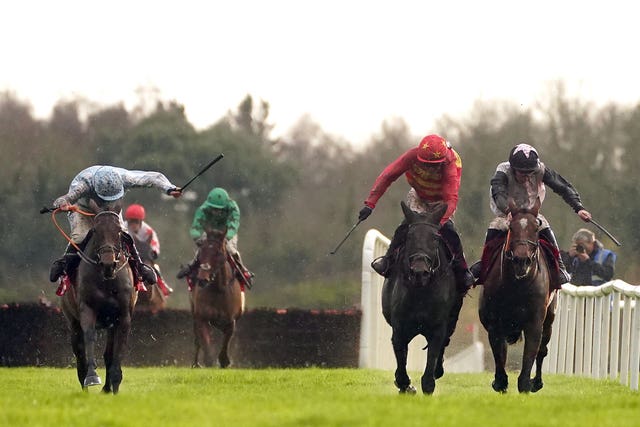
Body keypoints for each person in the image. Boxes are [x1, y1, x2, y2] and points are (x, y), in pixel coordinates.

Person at [358, 134, 474, 292]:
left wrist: (437, 223)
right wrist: (370, 204)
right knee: (405, 227)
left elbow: (451, 199)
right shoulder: (412, 156)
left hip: (442, 202)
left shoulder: (450, 163)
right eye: (427, 164)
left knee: (449, 232)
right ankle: (387, 260)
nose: (430, 169)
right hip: (419, 197)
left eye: (435, 165)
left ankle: (463, 271)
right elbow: (388, 175)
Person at [474, 143, 592, 285]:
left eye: (530, 173)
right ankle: (483, 264)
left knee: (545, 227)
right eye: (522, 173)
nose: (526, 177)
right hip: (507, 212)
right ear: (513, 168)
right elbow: (498, 192)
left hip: (531, 213)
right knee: (495, 226)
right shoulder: (503, 170)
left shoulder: (541, 170)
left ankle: (560, 267)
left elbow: (563, 187)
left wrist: (578, 207)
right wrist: (507, 210)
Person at [49, 165, 182, 286]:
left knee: (122, 233)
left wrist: (169, 189)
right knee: (80, 236)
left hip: (111, 211)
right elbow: (63, 199)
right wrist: (63, 203)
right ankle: (64, 263)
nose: (108, 201)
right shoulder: (83, 184)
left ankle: (140, 266)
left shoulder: (124, 178)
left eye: (112, 197)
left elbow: (153, 178)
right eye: (106, 198)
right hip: (84, 209)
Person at [177, 187, 254, 285]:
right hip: (210, 231)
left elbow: (234, 224)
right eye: (213, 208)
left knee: (230, 248)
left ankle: (243, 270)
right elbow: (196, 226)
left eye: (218, 209)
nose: (215, 211)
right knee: (204, 248)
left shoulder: (233, 207)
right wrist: (197, 238)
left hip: (227, 231)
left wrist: (227, 237)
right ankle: (192, 266)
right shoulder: (203, 209)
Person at [124, 203, 173, 296]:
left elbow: (155, 243)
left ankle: (163, 286)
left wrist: (154, 252)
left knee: (153, 267)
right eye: (131, 222)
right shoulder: (124, 228)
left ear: (141, 221)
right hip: (128, 255)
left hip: (144, 256)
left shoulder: (148, 230)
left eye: (136, 222)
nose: (133, 225)